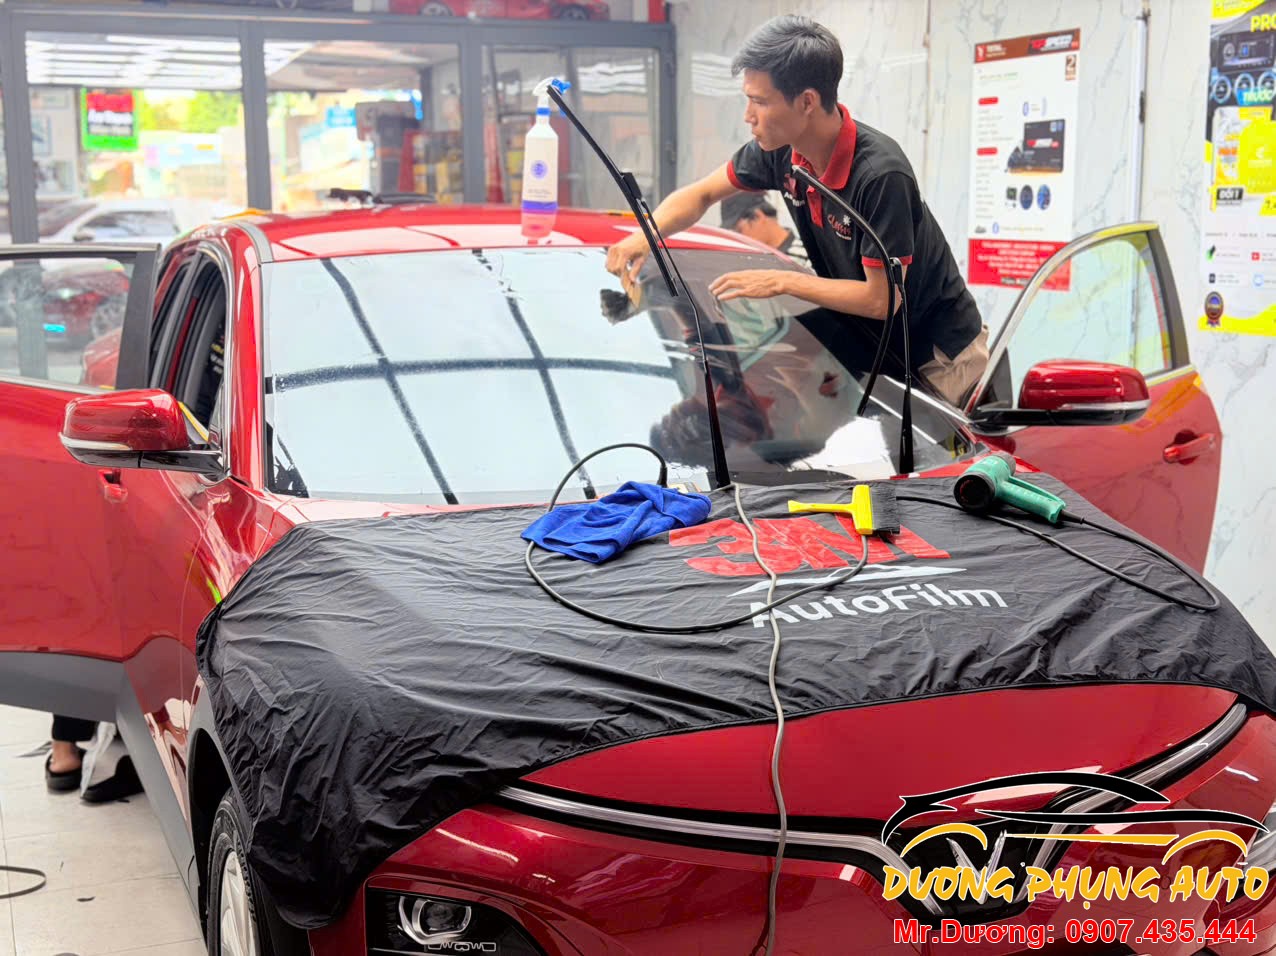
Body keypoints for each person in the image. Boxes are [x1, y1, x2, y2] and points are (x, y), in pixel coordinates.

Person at [606, 15, 988, 407]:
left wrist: (782, 281)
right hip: (875, 348)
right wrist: (644, 237)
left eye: (760, 101)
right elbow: (701, 194)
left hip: (940, 356)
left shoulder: (879, 176)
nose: (748, 116)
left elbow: (883, 300)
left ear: (807, 102)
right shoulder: (781, 152)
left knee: (939, 446)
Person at [719, 191, 810, 267]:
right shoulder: (752, 262)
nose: (738, 239)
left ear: (758, 216)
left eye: (739, 231)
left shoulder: (807, 258)